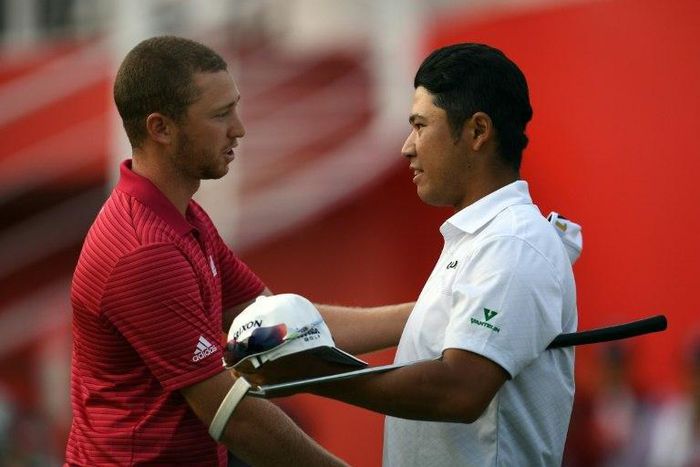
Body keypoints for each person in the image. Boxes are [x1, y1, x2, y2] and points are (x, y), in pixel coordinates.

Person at [65, 35, 412, 466]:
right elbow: (234, 416)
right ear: (161, 129)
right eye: (220, 114)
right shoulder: (144, 251)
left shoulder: (184, 216)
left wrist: (426, 313)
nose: (239, 128)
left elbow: (284, 327)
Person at [241, 42, 579, 466]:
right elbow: (423, 332)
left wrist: (314, 373)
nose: (407, 146)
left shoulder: (513, 242)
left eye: (420, 125)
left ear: (477, 132)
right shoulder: (479, 238)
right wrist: (281, 334)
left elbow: (459, 392)